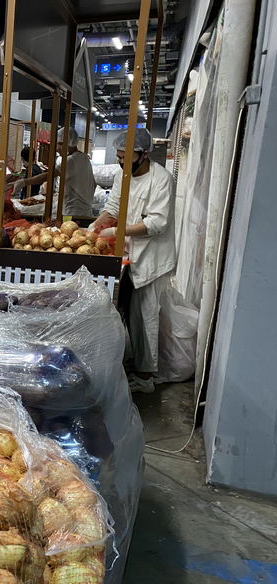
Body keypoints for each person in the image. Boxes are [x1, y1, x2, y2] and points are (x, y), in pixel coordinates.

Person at [94, 128, 176, 393]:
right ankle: (135, 361)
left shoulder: (161, 179)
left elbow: (157, 222)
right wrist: (93, 228)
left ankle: (146, 375)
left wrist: (120, 231)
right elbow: (113, 208)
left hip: (153, 257)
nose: (120, 162)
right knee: (129, 311)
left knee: (146, 314)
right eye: (118, 156)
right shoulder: (122, 175)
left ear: (144, 155)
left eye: (125, 157)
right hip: (129, 253)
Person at [14, 127, 96, 217]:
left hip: (72, 213)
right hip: (85, 211)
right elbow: (94, 184)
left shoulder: (70, 160)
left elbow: (48, 176)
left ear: (69, 143)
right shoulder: (84, 158)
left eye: (60, 144)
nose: (57, 148)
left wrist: (24, 182)